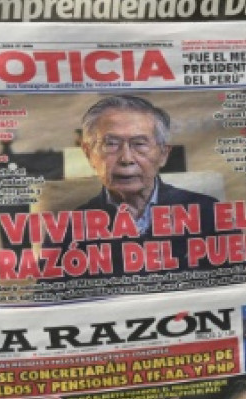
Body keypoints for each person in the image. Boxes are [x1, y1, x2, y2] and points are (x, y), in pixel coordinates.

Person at [70, 95, 220, 276]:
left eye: (139, 144)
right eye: (111, 144)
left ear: (163, 154)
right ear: (88, 154)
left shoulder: (209, 212)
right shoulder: (68, 227)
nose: (126, 159)